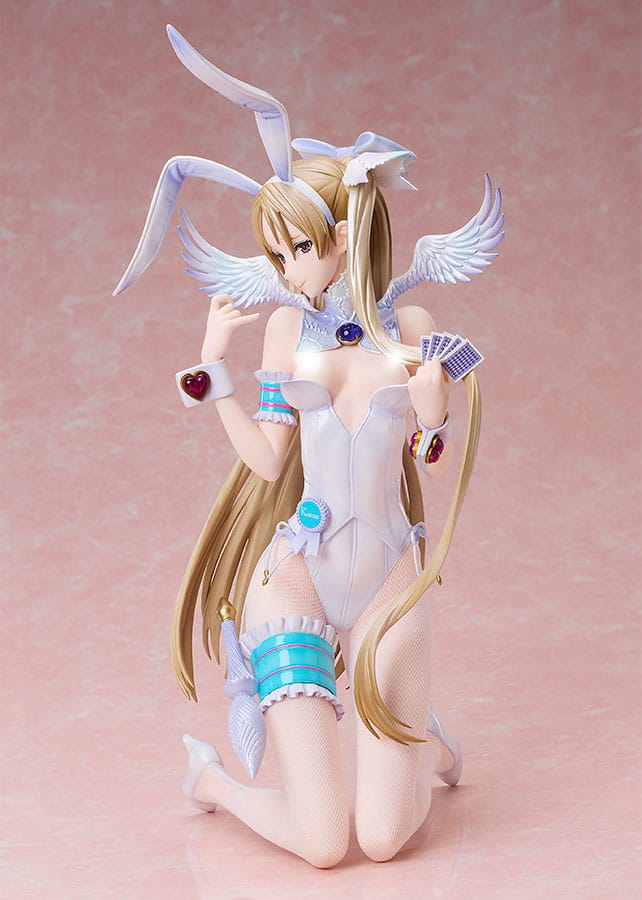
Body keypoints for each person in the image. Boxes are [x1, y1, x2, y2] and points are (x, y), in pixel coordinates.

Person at [114, 26, 503, 868]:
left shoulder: (414, 324)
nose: (287, 269)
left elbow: (432, 457)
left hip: (391, 574)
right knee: (326, 844)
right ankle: (212, 781)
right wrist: (214, 372)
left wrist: (434, 414)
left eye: (299, 246)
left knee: (384, 839)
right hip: (292, 576)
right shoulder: (285, 331)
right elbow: (265, 461)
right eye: (277, 251)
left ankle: (426, 745)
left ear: (347, 233)